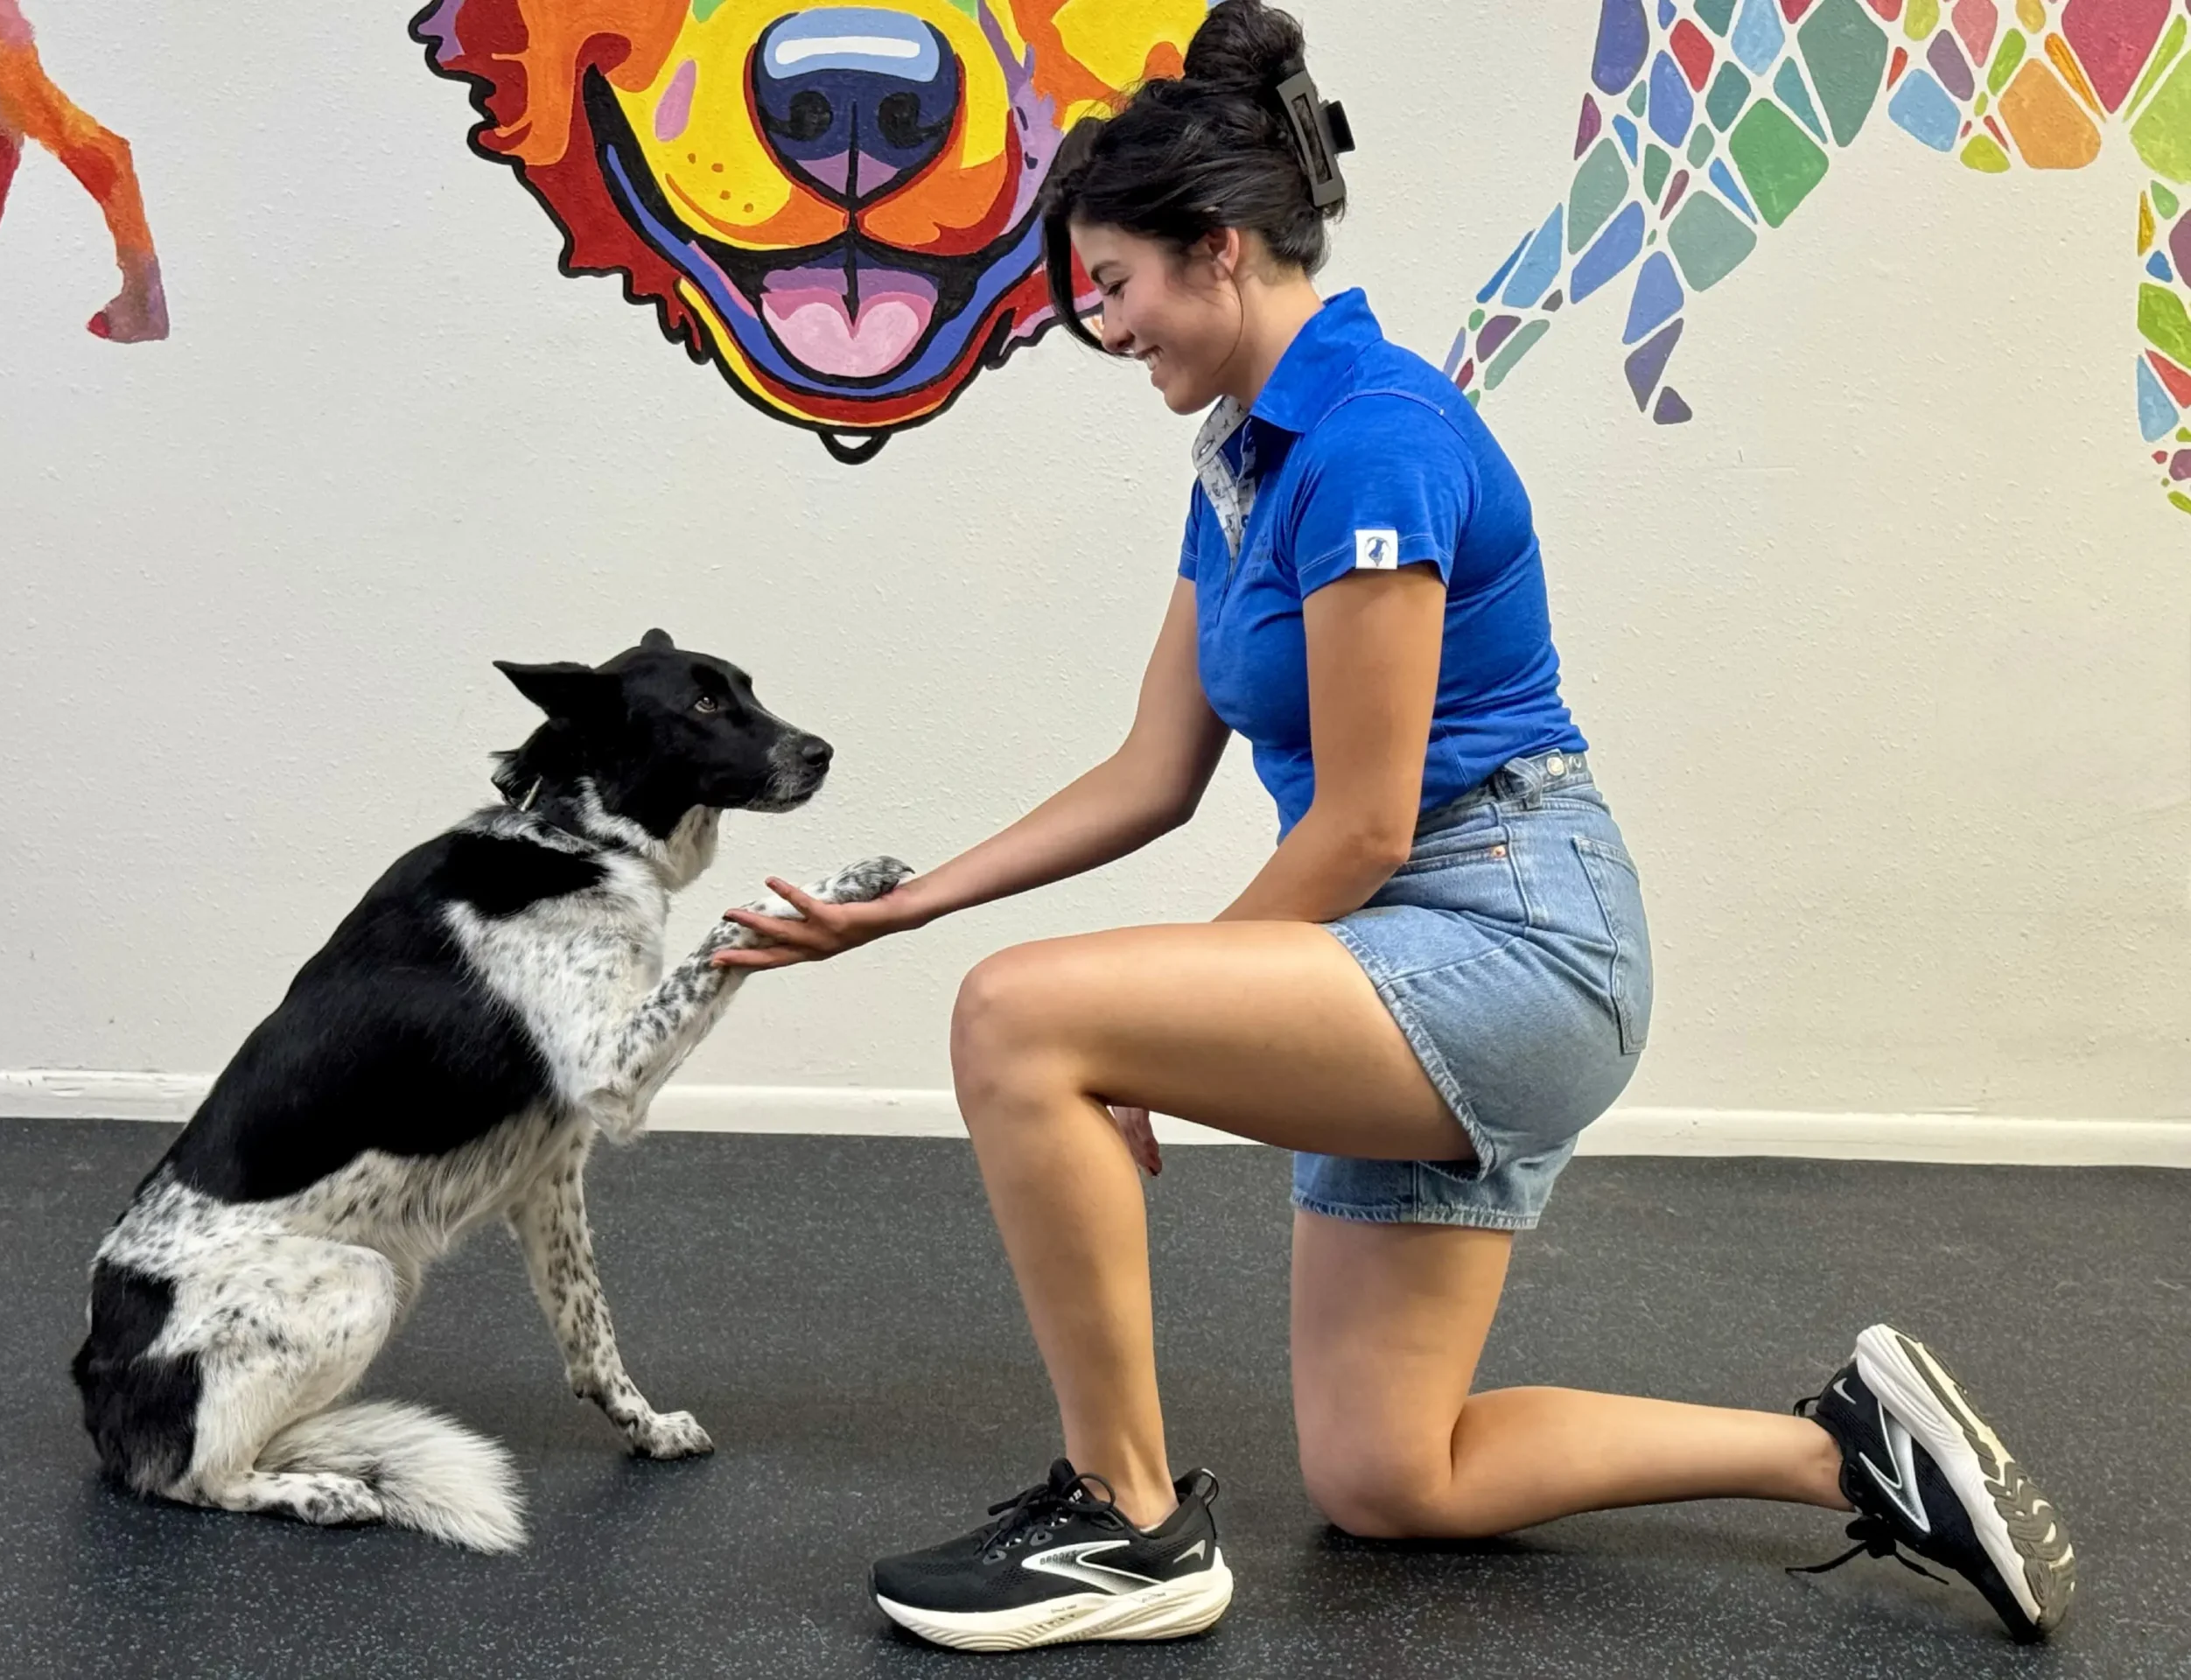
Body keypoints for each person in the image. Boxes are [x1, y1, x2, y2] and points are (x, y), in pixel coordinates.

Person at [713, 0, 2073, 1653]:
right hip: (1394, 946)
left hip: (1513, 935)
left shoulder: (1373, 440)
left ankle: (1126, 1525)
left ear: (1218, 251)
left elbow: (1362, 825)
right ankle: (1849, 1451)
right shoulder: (1244, 463)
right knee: (1388, 1474)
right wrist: (906, 904)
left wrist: (1135, 1038)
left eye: (1115, 285)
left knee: (1024, 1017)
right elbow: (1153, 769)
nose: (1103, 325)